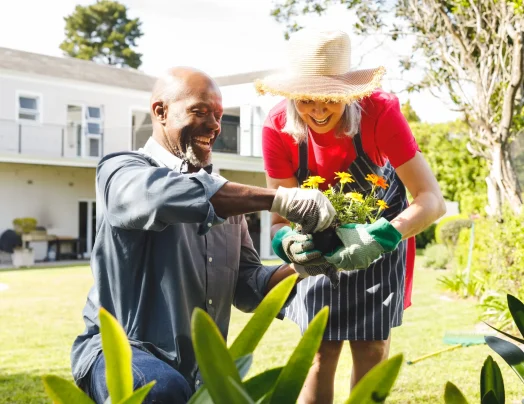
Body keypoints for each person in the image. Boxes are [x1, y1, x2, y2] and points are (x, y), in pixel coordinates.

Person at [70, 66, 337, 404]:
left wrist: (303, 265)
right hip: (122, 351)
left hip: (200, 367)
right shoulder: (121, 170)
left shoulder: (227, 204)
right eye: (199, 111)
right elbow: (160, 196)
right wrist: (281, 199)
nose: (214, 125)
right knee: (162, 390)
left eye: (218, 115)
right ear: (161, 112)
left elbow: (248, 286)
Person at [256, 30, 446, 403]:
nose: (318, 111)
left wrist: (384, 237)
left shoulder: (380, 112)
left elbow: (431, 200)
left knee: (372, 347)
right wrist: (287, 243)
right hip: (317, 241)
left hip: (383, 230)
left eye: (331, 99)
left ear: (349, 92)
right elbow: (280, 221)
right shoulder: (276, 128)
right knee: (319, 350)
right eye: (307, 100)